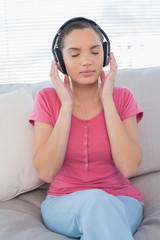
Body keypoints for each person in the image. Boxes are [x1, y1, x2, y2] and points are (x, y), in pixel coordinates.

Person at [29, 17, 144, 240]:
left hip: (122, 200)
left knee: (101, 208)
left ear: (105, 55)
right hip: (63, 203)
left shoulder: (122, 97)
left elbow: (129, 167)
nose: (87, 61)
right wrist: (66, 106)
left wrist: (108, 101)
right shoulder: (46, 99)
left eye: (94, 51)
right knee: (96, 201)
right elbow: (46, 171)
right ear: (60, 61)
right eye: (75, 54)